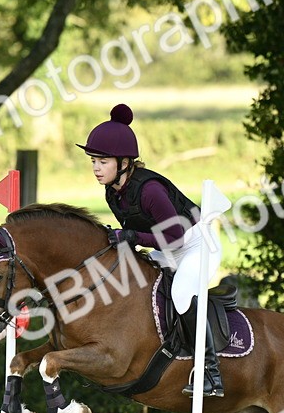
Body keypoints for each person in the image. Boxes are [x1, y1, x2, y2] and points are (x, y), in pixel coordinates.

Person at [77, 103, 224, 397]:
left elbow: (175, 236)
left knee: (182, 294)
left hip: (196, 244)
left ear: (124, 162)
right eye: (93, 160)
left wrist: (131, 235)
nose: (95, 168)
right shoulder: (113, 191)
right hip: (167, 248)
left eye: (102, 162)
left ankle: (211, 372)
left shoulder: (149, 190)